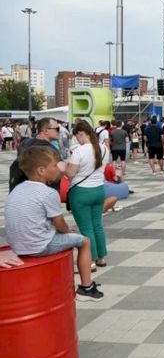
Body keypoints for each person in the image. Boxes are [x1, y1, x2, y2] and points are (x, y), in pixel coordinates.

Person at [5, 146, 104, 300]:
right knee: (84, 241)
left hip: (17, 245)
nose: (58, 169)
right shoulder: (48, 193)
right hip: (38, 246)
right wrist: (67, 230)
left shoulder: (17, 190)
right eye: (54, 166)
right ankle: (87, 288)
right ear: (41, 171)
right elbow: (60, 225)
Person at [63, 120, 110, 270]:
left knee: (86, 228)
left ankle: (90, 261)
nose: (77, 139)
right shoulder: (103, 148)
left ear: (81, 134)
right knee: (97, 225)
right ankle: (101, 257)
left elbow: (70, 173)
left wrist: (63, 166)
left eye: (76, 136)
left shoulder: (79, 151)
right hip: (99, 190)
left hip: (81, 192)